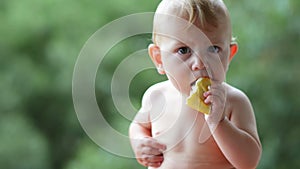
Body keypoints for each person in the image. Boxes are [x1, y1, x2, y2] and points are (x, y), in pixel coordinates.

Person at [129, 0, 262, 168]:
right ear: (159, 59)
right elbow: (138, 126)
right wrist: (140, 142)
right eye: (183, 50)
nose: (200, 63)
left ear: (229, 56)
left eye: (213, 49)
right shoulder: (155, 96)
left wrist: (219, 122)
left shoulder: (233, 102)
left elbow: (249, 162)